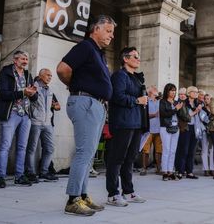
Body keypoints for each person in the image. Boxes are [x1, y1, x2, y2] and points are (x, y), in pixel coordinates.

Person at [56, 15, 116, 216]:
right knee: (84, 152)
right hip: (86, 102)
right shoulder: (86, 47)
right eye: (108, 31)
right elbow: (63, 69)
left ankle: (82, 194)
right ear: (96, 29)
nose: (111, 36)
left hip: (96, 104)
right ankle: (72, 200)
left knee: (89, 153)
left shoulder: (99, 53)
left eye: (112, 32)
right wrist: (74, 86)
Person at [106, 47, 148, 207]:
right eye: (135, 56)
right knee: (117, 159)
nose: (138, 59)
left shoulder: (136, 78)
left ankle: (128, 191)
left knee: (130, 159)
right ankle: (113, 194)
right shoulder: (119, 75)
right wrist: (137, 100)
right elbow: (117, 96)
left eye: (139, 56)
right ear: (125, 58)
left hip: (136, 122)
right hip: (123, 122)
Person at [0, 50, 38, 188]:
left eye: (26, 59)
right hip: (11, 113)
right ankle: (1, 177)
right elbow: (2, 94)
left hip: (25, 115)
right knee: (5, 145)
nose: (25, 61)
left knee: (22, 147)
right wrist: (22, 92)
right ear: (15, 60)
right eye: (22, 59)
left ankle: (19, 176)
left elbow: (34, 97)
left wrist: (32, 94)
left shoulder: (28, 74)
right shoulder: (6, 73)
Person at [25, 68, 61, 183]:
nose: (50, 77)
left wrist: (55, 107)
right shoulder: (33, 87)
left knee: (50, 148)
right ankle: (30, 172)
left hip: (47, 123)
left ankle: (44, 172)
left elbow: (58, 106)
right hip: (35, 122)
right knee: (31, 148)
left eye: (51, 76)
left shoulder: (50, 90)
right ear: (40, 76)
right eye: (47, 75)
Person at [159, 83, 183, 181]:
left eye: (174, 90)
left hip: (175, 127)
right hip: (165, 127)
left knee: (173, 150)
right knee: (166, 149)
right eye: (171, 90)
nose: (173, 92)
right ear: (167, 91)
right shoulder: (163, 102)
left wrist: (180, 108)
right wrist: (175, 109)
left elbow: (181, 115)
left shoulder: (176, 102)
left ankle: (171, 171)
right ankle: (165, 172)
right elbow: (164, 114)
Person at [176, 86, 200, 179]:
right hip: (186, 128)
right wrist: (195, 112)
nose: (196, 93)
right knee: (184, 150)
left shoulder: (197, 103)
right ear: (189, 93)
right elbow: (184, 116)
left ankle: (189, 171)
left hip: (194, 128)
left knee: (191, 151)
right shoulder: (183, 103)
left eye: (197, 92)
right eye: (194, 92)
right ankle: (180, 171)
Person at [140, 86, 162, 176]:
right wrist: (154, 115)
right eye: (155, 93)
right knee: (146, 150)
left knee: (159, 150)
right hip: (148, 130)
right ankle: (144, 168)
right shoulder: (145, 102)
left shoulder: (160, 102)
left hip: (159, 129)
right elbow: (143, 115)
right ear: (149, 93)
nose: (157, 94)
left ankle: (158, 168)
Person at [197, 90, 214, 176]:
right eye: (205, 98)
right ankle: (205, 168)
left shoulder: (213, 108)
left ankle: (211, 168)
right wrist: (211, 118)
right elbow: (204, 118)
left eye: (208, 98)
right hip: (204, 130)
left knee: (211, 150)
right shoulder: (202, 109)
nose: (207, 100)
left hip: (213, 131)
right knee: (204, 150)